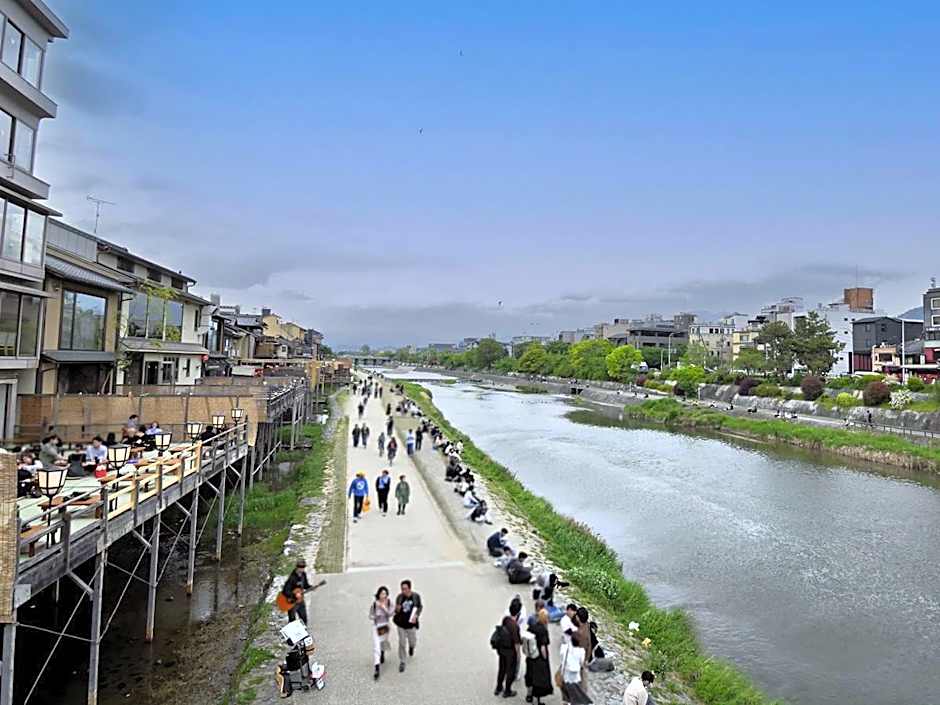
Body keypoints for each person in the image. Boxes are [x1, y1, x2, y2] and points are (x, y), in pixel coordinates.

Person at [525, 609, 554, 705]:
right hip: (538, 658)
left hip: (530, 655)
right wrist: (545, 658)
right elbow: (543, 647)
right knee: (538, 679)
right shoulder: (543, 630)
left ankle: (529, 694)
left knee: (529, 675)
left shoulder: (532, 627)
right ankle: (536, 701)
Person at [393, 580, 423, 673]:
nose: (403, 591)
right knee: (402, 643)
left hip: (411, 624)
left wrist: (416, 615)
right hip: (401, 624)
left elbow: (420, 607)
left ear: (410, 588)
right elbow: (396, 610)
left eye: (405, 589)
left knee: (412, 641)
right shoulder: (399, 597)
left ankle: (411, 647)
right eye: (402, 589)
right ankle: (402, 661)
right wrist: (397, 609)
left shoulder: (416, 596)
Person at [369, 586, 394, 680]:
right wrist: (375, 616)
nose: (383, 595)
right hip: (376, 626)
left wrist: (384, 608)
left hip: (385, 626)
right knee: (376, 647)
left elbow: (391, 614)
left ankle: (383, 653)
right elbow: (370, 615)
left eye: (385, 594)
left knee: (383, 642)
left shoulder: (389, 603)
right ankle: (377, 668)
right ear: (378, 594)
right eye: (381, 593)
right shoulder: (375, 604)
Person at [494, 615, 521, 698]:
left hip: (502, 648)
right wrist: (518, 655)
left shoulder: (506, 619)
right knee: (510, 671)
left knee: (502, 668)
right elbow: (517, 642)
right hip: (510, 651)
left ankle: (498, 687)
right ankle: (507, 690)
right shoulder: (515, 626)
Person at [560, 634, 591, 704]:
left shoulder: (565, 648)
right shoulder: (581, 651)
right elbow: (582, 663)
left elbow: (562, 658)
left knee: (566, 691)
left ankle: (566, 702)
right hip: (576, 674)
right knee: (575, 692)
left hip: (566, 673)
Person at [281, 560, 312, 624]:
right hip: (292, 602)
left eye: (303, 567)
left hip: (300, 601)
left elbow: (305, 585)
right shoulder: (292, 578)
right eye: (300, 568)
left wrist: (310, 587)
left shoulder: (303, 574)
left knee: (304, 619)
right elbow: (285, 591)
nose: (302, 569)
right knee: (292, 621)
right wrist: (294, 594)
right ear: (297, 568)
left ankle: (304, 633)